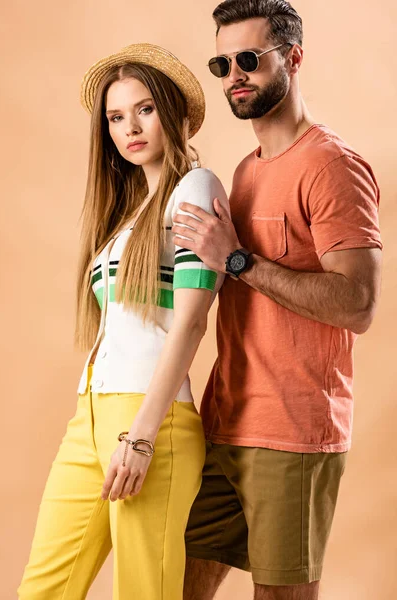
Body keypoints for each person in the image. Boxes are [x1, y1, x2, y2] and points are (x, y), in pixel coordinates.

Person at [172, 2, 383, 599]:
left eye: (248, 59)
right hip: (224, 423)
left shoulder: (332, 167)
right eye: (223, 62)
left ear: (293, 58)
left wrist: (238, 260)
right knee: (175, 581)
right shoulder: (245, 172)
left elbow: (358, 303)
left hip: (293, 432)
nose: (233, 74)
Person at [18, 43, 230, 600]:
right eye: (115, 116)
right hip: (87, 418)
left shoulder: (195, 189)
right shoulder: (126, 213)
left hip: (149, 423)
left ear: (172, 112)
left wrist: (140, 436)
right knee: (43, 589)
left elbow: (189, 324)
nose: (129, 127)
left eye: (144, 109)